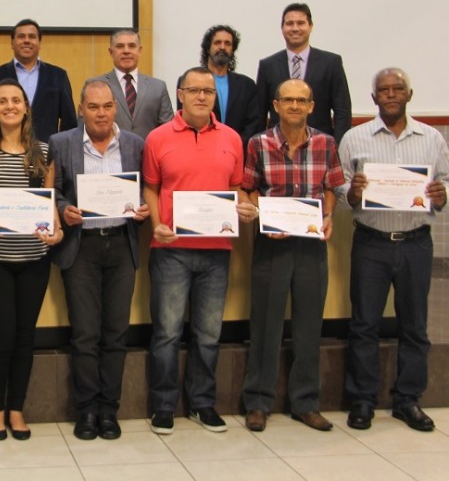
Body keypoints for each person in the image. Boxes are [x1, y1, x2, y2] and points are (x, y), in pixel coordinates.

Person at [142, 66, 256, 435]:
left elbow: (238, 186)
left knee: (208, 334)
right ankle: (163, 406)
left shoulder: (232, 138)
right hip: (170, 250)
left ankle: (203, 404)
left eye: (208, 91)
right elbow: (151, 187)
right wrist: (156, 223)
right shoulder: (158, 138)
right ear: (180, 94)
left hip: (216, 251)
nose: (202, 96)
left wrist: (246, 206)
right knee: (167, 333)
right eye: (194, 90)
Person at [337, 68, 449, 432]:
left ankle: (408, 400)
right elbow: (341, 191)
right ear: (373, 99)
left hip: (416, 242)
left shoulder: (431, 138)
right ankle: (363, 400)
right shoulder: (355, 138)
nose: (390, 94)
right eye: (383, 90)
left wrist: (441, 194)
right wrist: (351, 193)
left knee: (415, 326)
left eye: (397, 88)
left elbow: (444, 181)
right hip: (371, 242)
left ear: (409, 94)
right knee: (364, 324)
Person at [0, 78, 64, 441]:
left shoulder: (44, 152)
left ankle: (17, 408)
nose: (9, 106)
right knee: (1, 336)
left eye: (15, 100)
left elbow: (49, 204)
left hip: (34, 259)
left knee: (24, 336)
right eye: (2, 101)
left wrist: (58, 230)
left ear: (25, 107)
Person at [240, 79, 344, 433]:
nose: (295, 106)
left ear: (313, 106)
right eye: (288, 100)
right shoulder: (258, 143)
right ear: (276, 104)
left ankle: (306, 403)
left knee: (308, 325)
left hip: (311, 243)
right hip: (273, 243)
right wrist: (263, 214)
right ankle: (257, 402)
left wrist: (327, 215)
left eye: (302, 100)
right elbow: (248, 188)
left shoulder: (326, 143)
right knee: (266, 324)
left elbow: (331, 188)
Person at [49, 78, 149, 441]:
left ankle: (110, 409)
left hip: (121, 244)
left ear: (115, 108)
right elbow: (54, 190)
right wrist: (64, 209)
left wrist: (144, 209)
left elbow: (146, 190)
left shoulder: (136, 144)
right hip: (82, 246)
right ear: (81, 108)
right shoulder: (62, 143)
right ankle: (87, 410)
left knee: (115, 333)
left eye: (107, 106)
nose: (102, 113)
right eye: (93, 107)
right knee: (85, 333)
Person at [256, 3, 351, 143]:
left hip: (320, 145)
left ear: (310, 26)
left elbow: (342, 110)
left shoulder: (331, 63)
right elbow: (259, 113)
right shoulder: (267, 66)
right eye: (289, 23)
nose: (295, 28)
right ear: (282, 28)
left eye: (301, 23)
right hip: (276, 146)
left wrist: (338, 147)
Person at [0, 18, 76, 143]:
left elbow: (69, 122)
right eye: (21, 36)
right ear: (12, 43)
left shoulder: (58, 76)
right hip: (3, 151)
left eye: (32, 36)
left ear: (40, 43)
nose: (26, 40)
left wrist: (59, 150)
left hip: (47, 152)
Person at [98, 29, 173, 141]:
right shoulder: (96, 85)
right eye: (120, 46)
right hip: (109, 155)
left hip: (148, 155)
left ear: (140, 50)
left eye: (132, 46)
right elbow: (85, 128)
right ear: (110, 52)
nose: (126, 51)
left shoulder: (158, 87)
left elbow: (168, 129)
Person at [197, 25, 261, 147]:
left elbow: (253, 123)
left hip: (238, 153)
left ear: (232, 49)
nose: (222, 47)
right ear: (208, 48)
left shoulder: (247, 85)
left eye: (227, 44)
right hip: (203, 151)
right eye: (217, 42)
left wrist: (235, 146)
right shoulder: (192, 82)